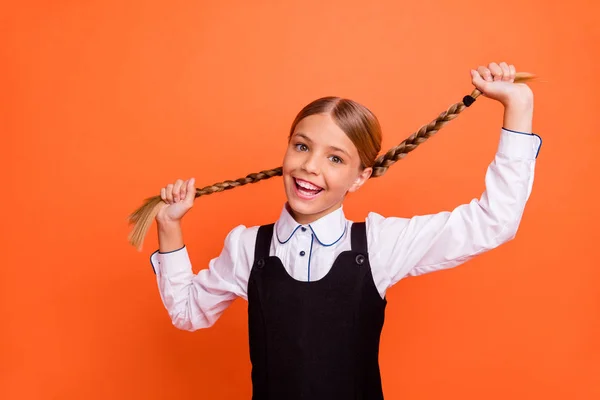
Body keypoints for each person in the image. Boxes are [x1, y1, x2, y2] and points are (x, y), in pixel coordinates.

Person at [149, 62, 542, 399]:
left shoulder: (380, 245)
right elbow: (187, 312)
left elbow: (494, 222)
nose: (311, 167)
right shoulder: (247, 247)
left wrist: (518, 107)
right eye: (302, 147)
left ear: (360, 177)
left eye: (335, 158)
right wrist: (169, 226)